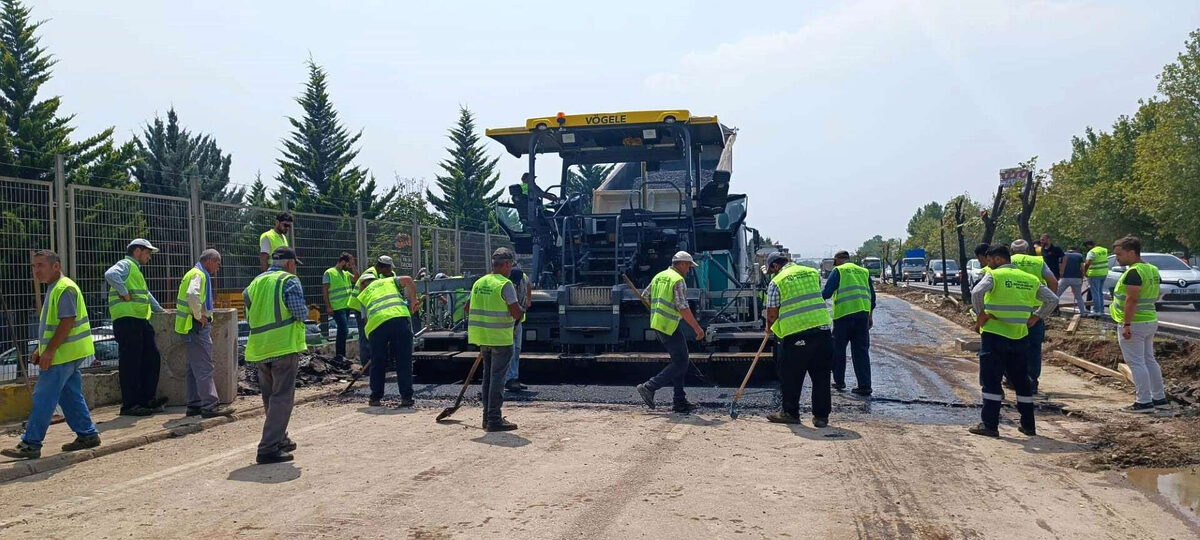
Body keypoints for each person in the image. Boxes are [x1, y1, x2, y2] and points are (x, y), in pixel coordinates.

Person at [2, 251, 101, 459]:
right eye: (34, 266)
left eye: (40, 265)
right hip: (70, 353)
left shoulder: (63, 288)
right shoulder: (56, 288)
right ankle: (88, 434)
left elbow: (67, 321)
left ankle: (31, 443)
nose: (36, 271)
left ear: (56, 266)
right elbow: (54, 325)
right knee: (70, 396)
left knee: (43, 397)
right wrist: (41, 348)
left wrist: (49, 351)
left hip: (63, 354)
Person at [968, 245, 1057, 437]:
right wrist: (1038, 316)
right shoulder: (1030, 279)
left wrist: (980, 314)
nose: (988, 265)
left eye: (990, 261)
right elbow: (1052, 299)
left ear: (998, 259)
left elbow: (976, 293)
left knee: (992, 381)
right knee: (1021, 382)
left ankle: (989, 425)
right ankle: (1028, 425)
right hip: (1020, 335)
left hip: (994, 335)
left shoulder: (996, 276)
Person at [244, 247, 307, 464]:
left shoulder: (255, 283)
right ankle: (268, 448)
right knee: (282, 398)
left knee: (270, 396)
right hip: (283, 346)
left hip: (260, 347)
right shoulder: (288, 280)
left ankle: (280, 438)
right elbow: (299, 312)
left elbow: (249, 309)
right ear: (290, 263)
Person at [763, 251, 834, 427]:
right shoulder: (812, 273)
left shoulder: (777, 281)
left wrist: (768, 328)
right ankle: (821, 417)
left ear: (775, 266)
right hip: (823, 330)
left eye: (771, 271)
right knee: (821, 376)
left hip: (796, 334)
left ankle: (790, 412)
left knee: (791, 375)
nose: (772, 274)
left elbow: (772, 313)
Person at [635, 251, 705, 413]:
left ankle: (679, 401)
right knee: (681, 362)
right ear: (680, 264)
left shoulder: (659, 276)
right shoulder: (677, 280)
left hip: (659, 324)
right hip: (669, 325)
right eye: (688, 265)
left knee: (679, 361)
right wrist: (697, 328)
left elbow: (645, 296)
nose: (689, 269)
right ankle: (649, 387)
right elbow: (683, 307)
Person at [105, 238, 167, 416]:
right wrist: (124, 292)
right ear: (137, 251)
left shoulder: (136, 271)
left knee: (151, 358)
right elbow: (110, 274)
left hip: (139, 320)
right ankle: (130, 405)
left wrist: (161, 311)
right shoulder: (125, 264)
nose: (149, 256)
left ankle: (146, 400)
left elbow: (146, 295)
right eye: (147, 252)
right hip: (127, 320)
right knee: (131, 364)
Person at [466, 248, 525, 431]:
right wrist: (522, 312)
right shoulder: (505, 284)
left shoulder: (479, 283)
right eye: (511, 265)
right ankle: (494, 419)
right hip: (501, 339)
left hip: (483, 338)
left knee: (488, 379)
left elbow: (467, 308)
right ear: (507, 264)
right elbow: (515, 312)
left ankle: (486, 417)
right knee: (498, 380)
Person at [1110, 236, 1169, 413]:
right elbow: (1157, 294)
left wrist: (1127, 324)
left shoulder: (1134, 273)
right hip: (1149, 319)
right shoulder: (1152, 269)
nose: (1117, 258)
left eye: (1119, 254)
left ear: (1131, 252)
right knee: (1149, 359)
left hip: (1134, 323)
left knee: (1136, 362)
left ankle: (1143, 402)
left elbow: (1132, 299)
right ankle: (1159, 398)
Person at [175, 249, 233, 418]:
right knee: (204, 366)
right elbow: (192, 295)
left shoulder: (194, 273)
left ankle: (194, 404)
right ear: (209, 261)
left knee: (193, 367)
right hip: (196, 326)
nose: (218, 267)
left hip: (188, 326)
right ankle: (210, 405)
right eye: (218, 263)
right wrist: (199, 316)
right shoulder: (199, 275)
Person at [355, 258, 419, 408]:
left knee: (378, 362)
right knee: (403, 360)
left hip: (377, 327)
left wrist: (376, 345)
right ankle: (406, 397)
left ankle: (375, 397)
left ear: (363, 285)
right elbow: (409, 280)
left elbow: (365, 320)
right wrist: (414, 302)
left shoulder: (363, 295)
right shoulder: (389, 281)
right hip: (399, 321)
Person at [822, 250, 876, 396]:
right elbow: (872, 296)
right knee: (861, 352)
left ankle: (839, 381)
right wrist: (870, 316)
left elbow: (826, 293)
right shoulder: (864, 271)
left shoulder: (838, 271)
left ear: (838, 260)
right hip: (862, 316)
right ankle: (865, 386)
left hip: (843, 317)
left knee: (838, 350)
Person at [1010, 239, 1057, 394]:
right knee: (1034, 349)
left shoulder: (1006, 261)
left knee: (1010, 347)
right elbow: (1052, 281)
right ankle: (1032, 381)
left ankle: (1011, 379)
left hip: (1011, 314)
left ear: (1011, 251)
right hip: (1035, 314)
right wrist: (1047, 306)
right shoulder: (1038, 262)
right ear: (1028, 250)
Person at [323, 252, 360, 363]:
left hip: (346, 306)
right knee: (344, 329)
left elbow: (357, 279)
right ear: (343, 262)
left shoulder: (346, 273)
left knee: (342, 331)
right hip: (337, 307)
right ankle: (340, 355)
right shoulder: (329, 273)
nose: (349, 266)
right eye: (349, 264)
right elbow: (325, 291)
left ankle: (341, 355)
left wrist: (353, 266)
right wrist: (328, 306)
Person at [504, 265, 531, 392]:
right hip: (506, 322)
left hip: (516, 321)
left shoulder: (522, 277)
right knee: (510, 351)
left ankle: (513, 378)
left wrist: (528, 301)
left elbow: (528, 285)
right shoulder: (505, 282)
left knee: (516, 350)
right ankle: (508, 379)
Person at [1081, 240, 1109, 318]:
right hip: (1104, 273)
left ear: (1088, 245)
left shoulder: (1092, 252)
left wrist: (1085, 272)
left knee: (1095, 293)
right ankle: (1101, 310)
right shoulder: (1104, 250)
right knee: (1100, 292)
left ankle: (1096, 311)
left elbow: (1088, 263)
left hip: (1095, 274)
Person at [1057, 246, 1087, 315]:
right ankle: (1083, 313)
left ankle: (1052, 310)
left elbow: (1060, 266)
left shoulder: (1064, 255)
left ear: (1068, 250)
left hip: (1065, 278)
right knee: (1079, 297)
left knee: (1057, 295)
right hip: (1077, 278)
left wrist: (1060, 275)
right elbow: (1082, 267)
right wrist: (1082, 277)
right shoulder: (1079, 255)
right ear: (1075, 250)